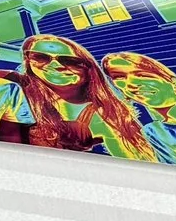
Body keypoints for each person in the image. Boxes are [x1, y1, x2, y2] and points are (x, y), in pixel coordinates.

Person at [15, 32, 157, 161]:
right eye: (40, 57)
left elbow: (137, 162)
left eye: (70, 61)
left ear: (89, 69)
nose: (55, 65)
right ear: (28, 61)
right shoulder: (16, 93)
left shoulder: (105, 113)